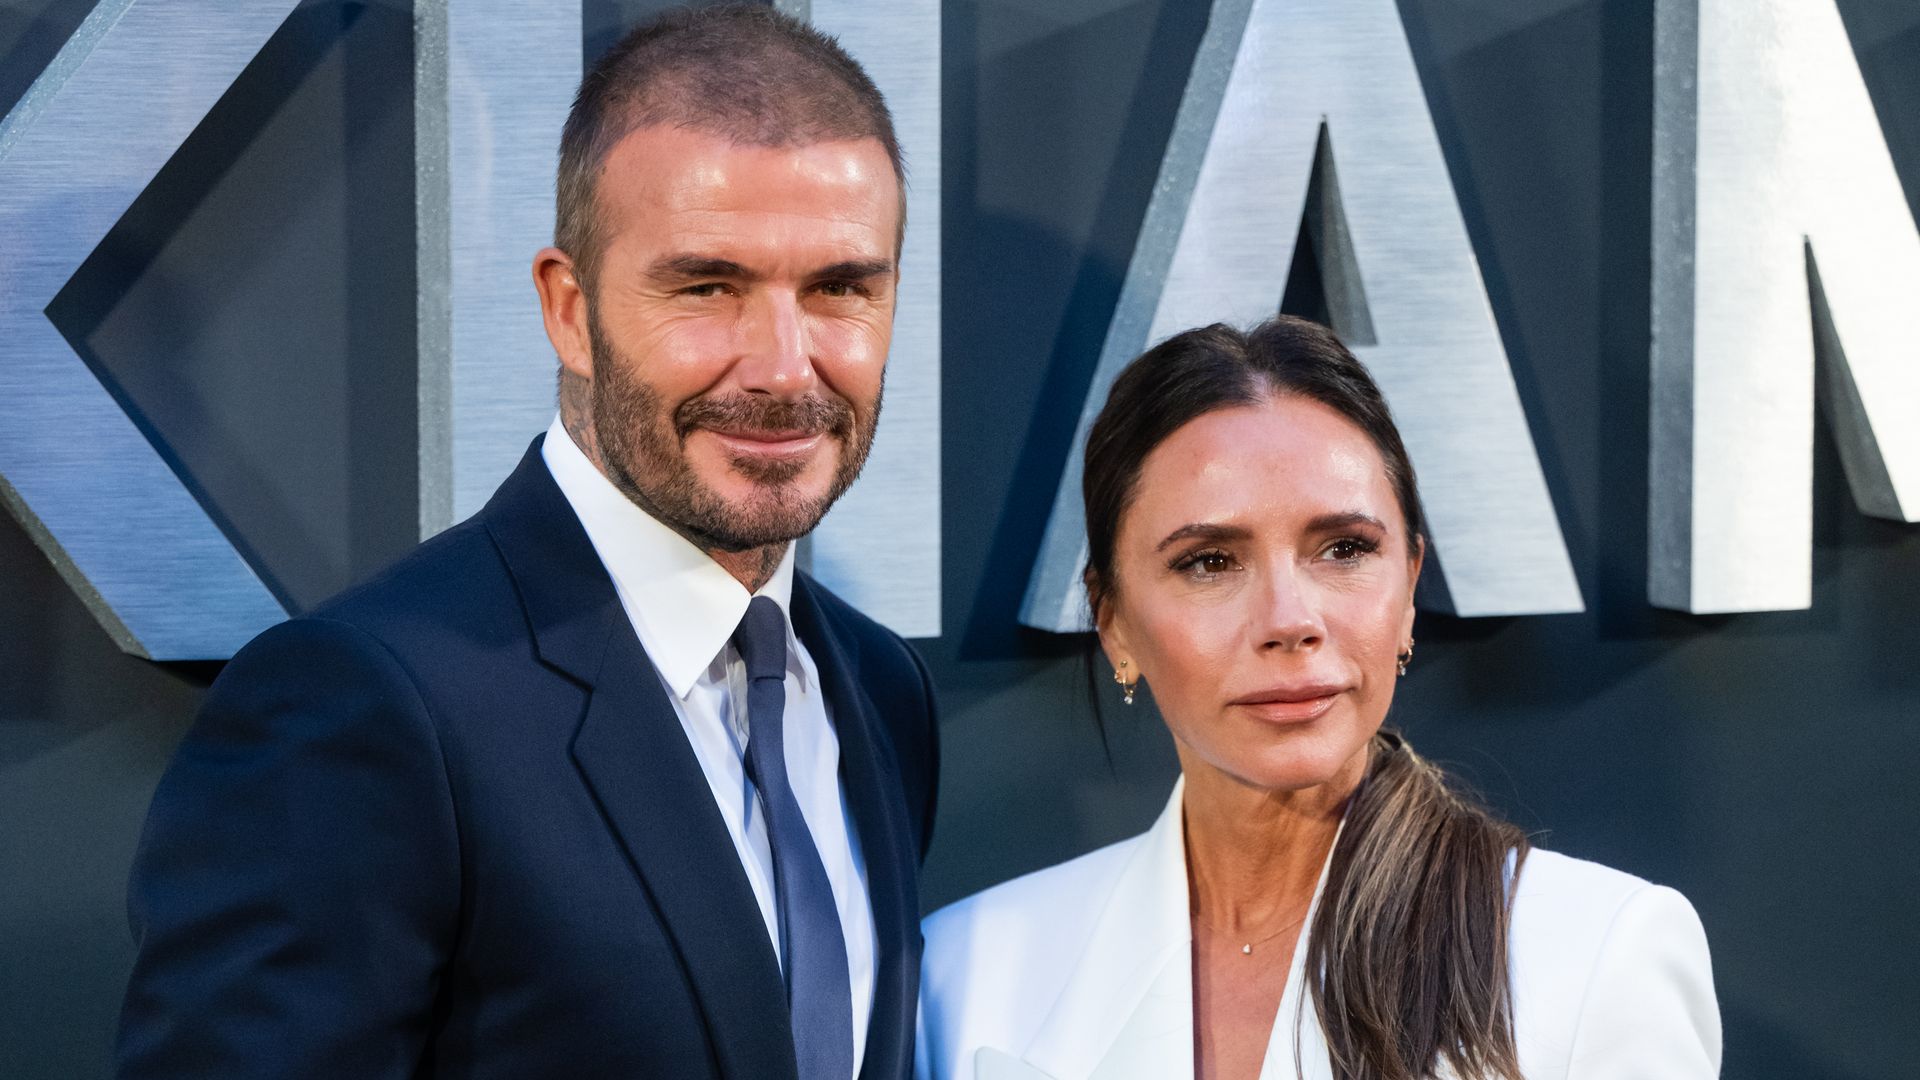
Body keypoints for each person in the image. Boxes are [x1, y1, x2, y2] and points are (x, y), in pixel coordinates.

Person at [117, 7, 937, 1080]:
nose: (784, 367)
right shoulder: (364, 708)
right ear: (567, 308)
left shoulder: (879, 691)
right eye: (706, 286)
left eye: (840, 289)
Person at [917, 316, 1719, 1080]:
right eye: (1208, 562)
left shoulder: (1598, 957)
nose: (1289, 621)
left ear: (1407, 588)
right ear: (1114, 621)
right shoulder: (968, 968)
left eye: (1344, 549)